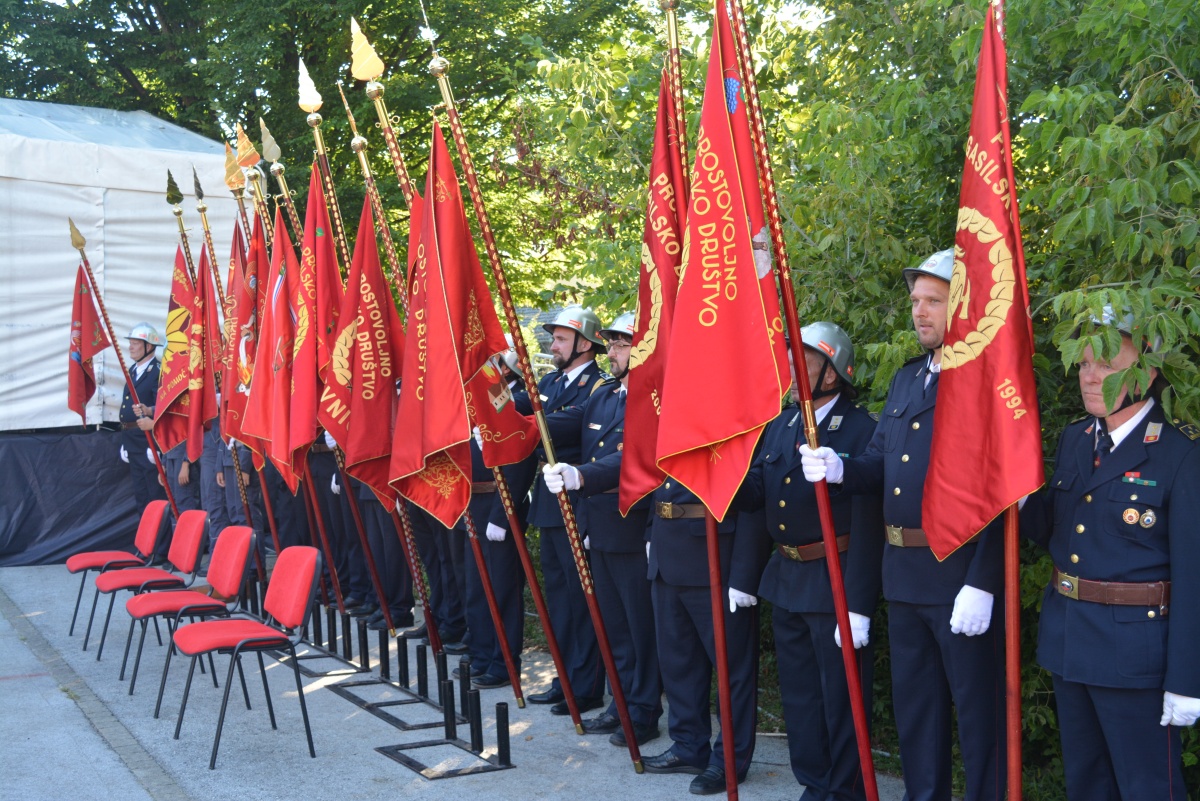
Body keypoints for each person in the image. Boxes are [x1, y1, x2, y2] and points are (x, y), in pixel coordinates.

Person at [800, 249, 1006, 801]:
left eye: (933, 301)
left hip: (959, 573)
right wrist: (842, 468)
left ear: (960, 306)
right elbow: (880, 469)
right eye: (916, 301)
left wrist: (983, 581)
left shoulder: (985, 382)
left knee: (979, 720)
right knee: (918, 715)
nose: (920, 312)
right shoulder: (908, 379)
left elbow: (1004, 489)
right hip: (905, 575)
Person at [1020, 307, 1200, 800]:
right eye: (1081, 364)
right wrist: (1017, 494)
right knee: (1086, 784)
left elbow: (1194, 576)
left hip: (1135, 656)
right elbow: (1056, 534)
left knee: (1149, 788)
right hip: (1071, 643)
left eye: (1104, 361)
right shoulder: (1075, 439)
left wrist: (1188, 679)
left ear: (1150, 369)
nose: (1090, 375)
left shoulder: (1181, 455)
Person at [731, 321, 883, 801]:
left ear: (833, 374)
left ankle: (846, 790)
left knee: (841, 697)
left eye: (807, 363)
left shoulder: (862, 430)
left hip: (833, 576)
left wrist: (857, 601)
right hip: (786, 575)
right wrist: (723, 475)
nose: (794, 372)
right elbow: (758, 495)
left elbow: (868, 522)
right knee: (800, 695)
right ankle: (815, 784)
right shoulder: (782, 424)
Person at [543, 312, 662, 746]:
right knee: (614, 627)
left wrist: (582, 477)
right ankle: (621, 705)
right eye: (609, 344)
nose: (610, 352)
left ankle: (644, 711)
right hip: (601, 527)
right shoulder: (606, 395)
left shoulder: (654, 401)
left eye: (619, 344)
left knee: (638, 629)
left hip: (634, 530)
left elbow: (636, 459)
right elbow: (581, 438)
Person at [522, 306, 609, 714]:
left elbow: (558, 425)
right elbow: (514, 403)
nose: (552, 345)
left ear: (584, 344)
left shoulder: (597, 387)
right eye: (554, 338)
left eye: (560, 339)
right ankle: (565, 679)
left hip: (576, 501)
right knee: (559, 599)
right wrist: (482, 383)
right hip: (548, 501)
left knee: (580, 598)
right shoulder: (551, 380)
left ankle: (586, 685)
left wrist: (512, 422)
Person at [462, 350, 535, 689]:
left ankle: (503, 662)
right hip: (474, 501)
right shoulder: (473, 398)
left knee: (502, 590)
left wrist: (502, 515)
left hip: (497, 503)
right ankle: (480, 654)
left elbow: (519, 459)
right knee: (477, 587)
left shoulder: (508, 399)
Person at [117, 323, 166, 512]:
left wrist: (157, 446)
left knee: (155, 498)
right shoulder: (132, 370)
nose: (131, 346)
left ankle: (160, 542)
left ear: (149, 346)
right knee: (141, 497)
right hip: (133, 440)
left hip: (148, 441)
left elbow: (162, 408)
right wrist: (125, 439)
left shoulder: (157, 372)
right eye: (131, 342)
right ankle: (147, 541)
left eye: (136, 343)